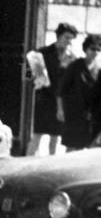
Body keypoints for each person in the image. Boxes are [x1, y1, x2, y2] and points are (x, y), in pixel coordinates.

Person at [26, 22, 77, 156]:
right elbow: (28, 72)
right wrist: (33, 80)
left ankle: (51, 170)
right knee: (36, 137)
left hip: (60, 103)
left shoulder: (72, 58)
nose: (69, 41)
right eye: (67, 37)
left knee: (55, 139)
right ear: (58, 36)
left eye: (71, 39)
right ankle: (26, 167)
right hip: (43, 100)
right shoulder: (42, 52)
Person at [57, 33, 101, 152]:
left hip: (90, 116)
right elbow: (62, 90)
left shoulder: (99, 70)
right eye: (92, 48)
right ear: (86, 49)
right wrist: (60, 110)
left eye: (98, 49)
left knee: (86, 149)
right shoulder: (75, 66)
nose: (95, 52)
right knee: (72, 148)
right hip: (74, 114)